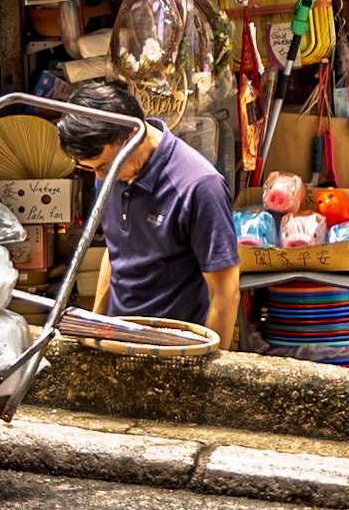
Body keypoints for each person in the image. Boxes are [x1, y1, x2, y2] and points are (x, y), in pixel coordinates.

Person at [56, 79, 240, 345]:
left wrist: (211, 375)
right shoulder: (110, 173)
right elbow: (115, 249)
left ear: (133, 135)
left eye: (105, 167)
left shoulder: (199, 186)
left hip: (174, 348)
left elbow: (226, 291)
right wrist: (96, 324)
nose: (99, 177)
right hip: (120, 339)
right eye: (92, 169)